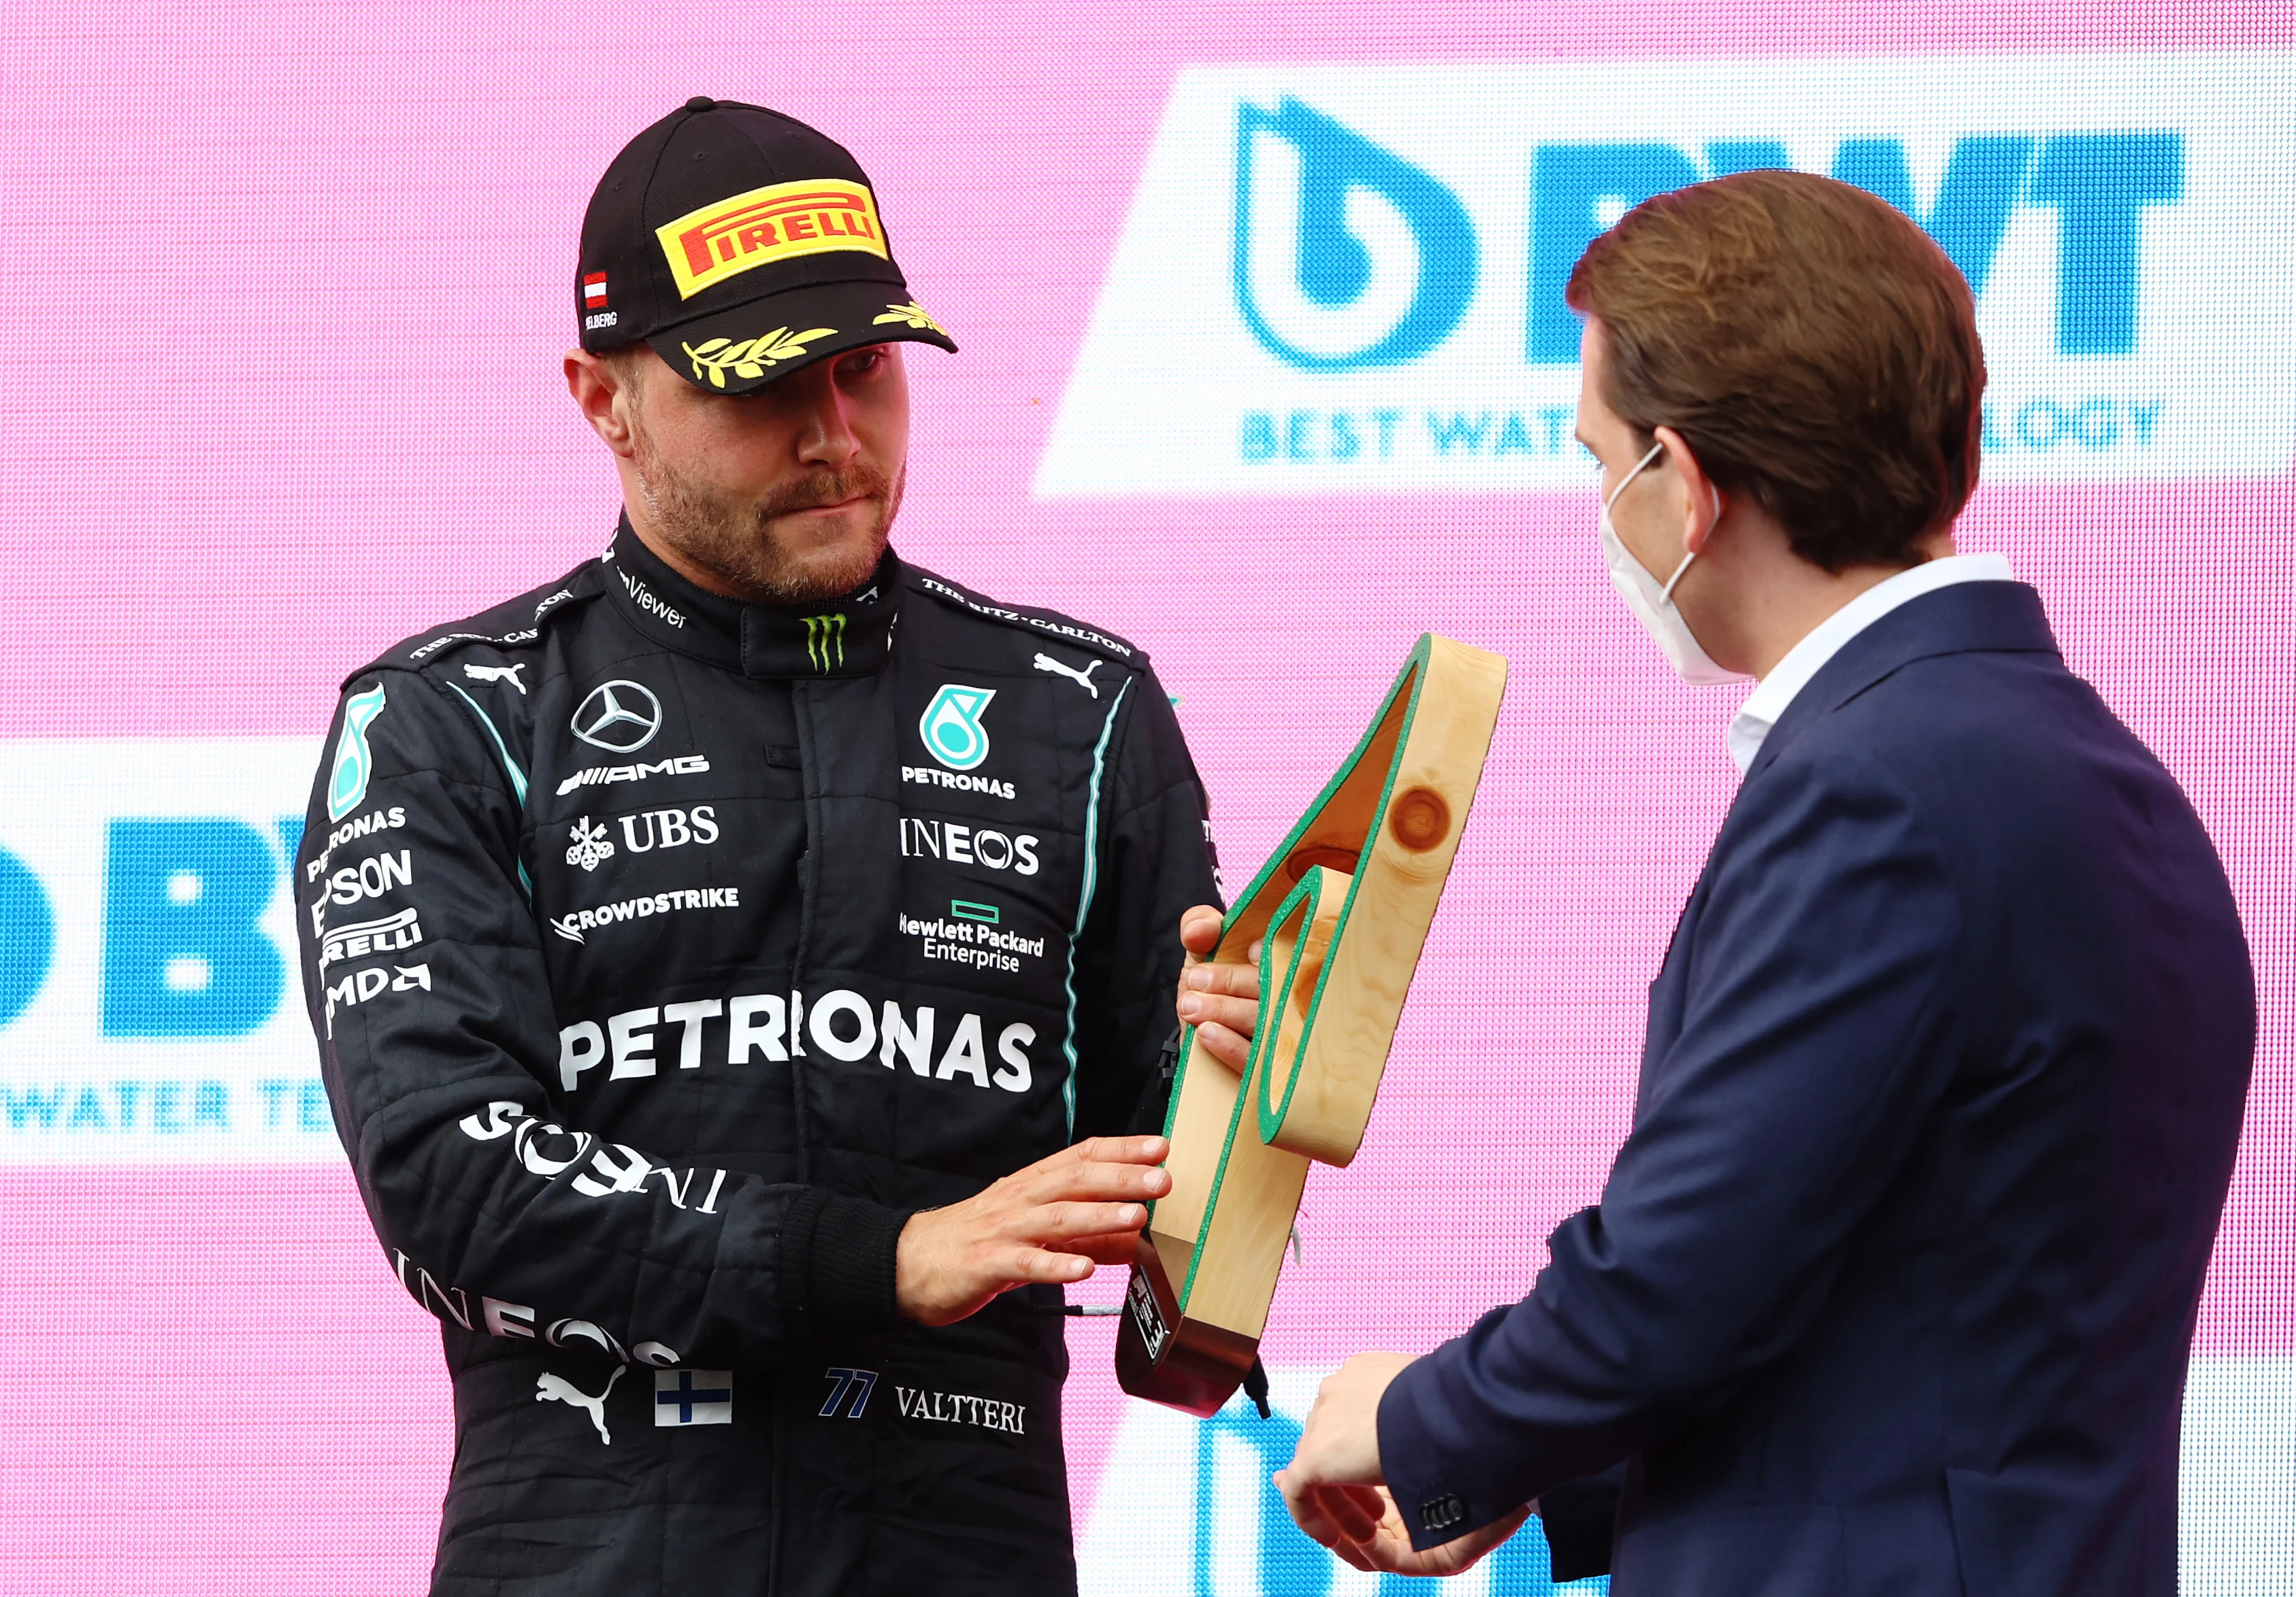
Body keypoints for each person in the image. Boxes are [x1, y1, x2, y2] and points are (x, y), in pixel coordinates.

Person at [1177, 169, 2255, 1594]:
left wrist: (1420, 1412)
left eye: (1594, 461)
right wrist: (1541, 1480)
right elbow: (1906, 1326)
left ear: (1680, 486)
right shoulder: (2096, 774)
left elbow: (1678, 1277)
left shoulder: (1879, 787)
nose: (1597, 513)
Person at [293, 98, 1216, 1597]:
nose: (832, 438)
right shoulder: (449, 720)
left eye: (864, 372)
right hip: (587, 1552)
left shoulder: (1079, 712)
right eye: (762, 387)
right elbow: (446, 1174)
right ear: (604, 400)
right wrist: (882, 1259)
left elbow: (1171, 1238)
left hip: (960, 1548)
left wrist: (1250, 1094)